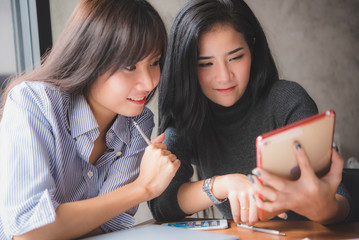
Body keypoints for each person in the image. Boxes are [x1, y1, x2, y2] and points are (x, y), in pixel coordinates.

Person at [149, 0, 351, 226]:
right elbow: (162, 203)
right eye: (206, 64)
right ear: (187, 67)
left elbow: (339, 200)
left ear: (252, 47)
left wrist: (325, 209)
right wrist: (223, 185)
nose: (224, 77)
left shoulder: (287, 100)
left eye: (235, 57)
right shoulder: (189, 115)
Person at [0, 0, 180, 239]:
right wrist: (142, 188)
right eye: (129, 66)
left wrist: (61, 223)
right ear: (90, 58)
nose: (148, 83)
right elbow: (30, 232)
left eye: (154, 62)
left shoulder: (138, 125)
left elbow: (109, 226)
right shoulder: (33, 103)